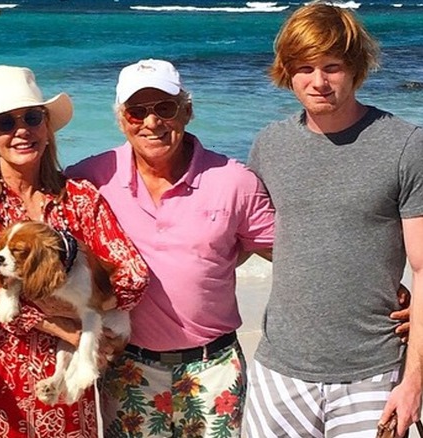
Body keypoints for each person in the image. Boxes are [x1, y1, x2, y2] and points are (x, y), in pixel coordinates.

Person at [66, 59, 275, 438]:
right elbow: (37, 217)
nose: (151, 122)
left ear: (187, 111)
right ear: (121, 119)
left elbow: (291, 253)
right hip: (128, 367)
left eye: (165, 108)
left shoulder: (234, 180)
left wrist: (379, 288)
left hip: (215, 368)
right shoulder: (92, 177)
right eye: (137, 111)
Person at [242, 3, 423, 436]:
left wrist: (414, 381)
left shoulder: (405, 145)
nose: (318, 82)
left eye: (332, 66)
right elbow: (262, 238)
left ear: (356, 68)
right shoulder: (270, 144)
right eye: (304, 67)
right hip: (279, 370)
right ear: (287, 72)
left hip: (373, 373)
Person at [0, 65, 149, 437]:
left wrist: (88, 309)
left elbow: (134, 276)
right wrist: (71, 327)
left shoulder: (81, 196)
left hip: (72, 379)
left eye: (31, 117)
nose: (21, 130)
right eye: (5, 123)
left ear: (47, 128)